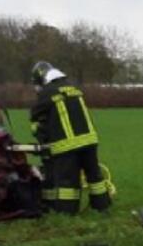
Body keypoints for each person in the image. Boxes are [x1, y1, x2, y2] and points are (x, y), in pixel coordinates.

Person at [29, 61, 111, 214]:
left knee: (68, 182)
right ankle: (102, 207)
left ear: (41, 79)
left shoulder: (47, 93)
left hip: (67, 145)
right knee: (95, 177)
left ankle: (67, 213)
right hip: (90, 140)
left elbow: (35, 116)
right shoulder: (73, 88)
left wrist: (41, 136)